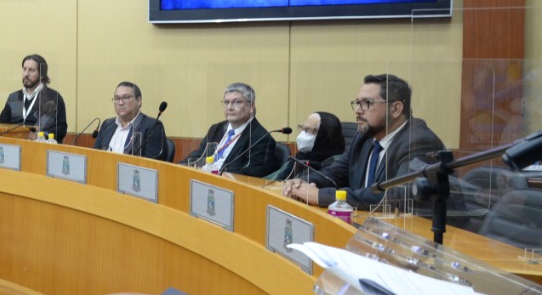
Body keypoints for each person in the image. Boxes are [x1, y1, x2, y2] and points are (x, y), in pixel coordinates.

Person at [284, 74, 444, 209]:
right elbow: (335, 173)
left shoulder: (418, 142)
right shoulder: (364, 138)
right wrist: (302, 182)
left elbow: (399, 196)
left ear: (395, 109)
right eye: (357, 103)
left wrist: (321, 196)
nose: (358, 110)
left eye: (367, 103)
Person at [181, 82, 282, 177]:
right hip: (201, 180)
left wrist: (216, 174)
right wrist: (179, 167)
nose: (229, 107)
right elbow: (198, 155)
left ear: (251, 106)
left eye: (237, 102)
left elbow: (251, 175)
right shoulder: (216, 129)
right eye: (226, 102)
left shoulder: (261, 139)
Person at [0, 54, 68, 141]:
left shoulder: (53, 98)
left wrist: (42, 135)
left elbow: (61, 128)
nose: (26, 74)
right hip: (14, 145)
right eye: (24, 69)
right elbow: (2, 124)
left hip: (40, 146)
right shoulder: (14, 97)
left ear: (42, 74)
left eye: (31, 70)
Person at [93, 82, 169, 160]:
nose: (120, 103)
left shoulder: (152, 127)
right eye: (117, 98)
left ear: (139, 101)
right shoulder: (107, 124)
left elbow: (152, 165)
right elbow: (94, 156)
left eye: (126, 97)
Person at [270, 110, 347, 181]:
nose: (302, 134)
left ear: (323, 136)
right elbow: (273, 180)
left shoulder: (333, 164)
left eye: (308, 130)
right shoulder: (301, 157)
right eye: (302, 128)